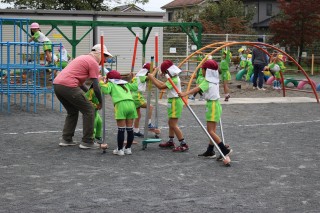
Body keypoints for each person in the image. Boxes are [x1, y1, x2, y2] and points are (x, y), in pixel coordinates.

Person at [53, 43, 112, 149]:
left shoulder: (82, 58)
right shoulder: (93, 62)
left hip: (57, 85)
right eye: (105, 57)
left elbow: (81, 83)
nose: (106, 60)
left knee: (72, 112)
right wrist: (100, 102)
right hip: (69, 86)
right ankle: (87, 141)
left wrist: (86, 94)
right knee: (89, 109)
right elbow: (96, 85)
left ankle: (66, 139)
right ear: (100, 54)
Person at [178, 59, 232, 159]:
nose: (201, 71)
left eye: (203, 69)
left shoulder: (207, 81)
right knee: (213, 131)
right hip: (216, 105)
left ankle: (224, 149)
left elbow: (197, 89)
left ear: (207, 71)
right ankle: (210, 150)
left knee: (210, 131)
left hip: (212, 106)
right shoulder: (215, 80)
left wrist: (184, 94)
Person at [147, 60, 188, 152]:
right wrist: (152, 78)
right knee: (170, 123)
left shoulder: (174, 79)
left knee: (173, 124)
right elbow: (162, 84)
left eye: (165, 72)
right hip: (172, 101)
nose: (165, 74)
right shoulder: (172, 78)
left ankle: (183, 143)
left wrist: (151, 78)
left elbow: (160, 87)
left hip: (175, 102)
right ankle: (171, 141)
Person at [99, 70, 138, 156]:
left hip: (120, 104)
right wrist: (134, 77)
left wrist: (101, 81)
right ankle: (128, 148)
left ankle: (120, 149)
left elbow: (105, 90)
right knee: (130, 128)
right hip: (131, 104)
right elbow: (135, 87)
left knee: (121, 129)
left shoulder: (111, 84)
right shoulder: (125, 83)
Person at [131, 63, 157, 137]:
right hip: (137, 96)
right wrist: (155, 70)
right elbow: (150, 77)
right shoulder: (141, 76)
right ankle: (148, 124)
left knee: (138, 115)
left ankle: (136, 130)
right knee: (150, 107)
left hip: (134, 95)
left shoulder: (137, 76)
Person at [85, 82, 105, 147]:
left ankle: (97, 136)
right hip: (91, 109)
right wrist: (96, 105)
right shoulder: (91, 91)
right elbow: (87, 101)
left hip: (95, 110)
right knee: (94, 122)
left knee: (100, 122)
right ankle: (92, 137)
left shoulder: (100, 91)